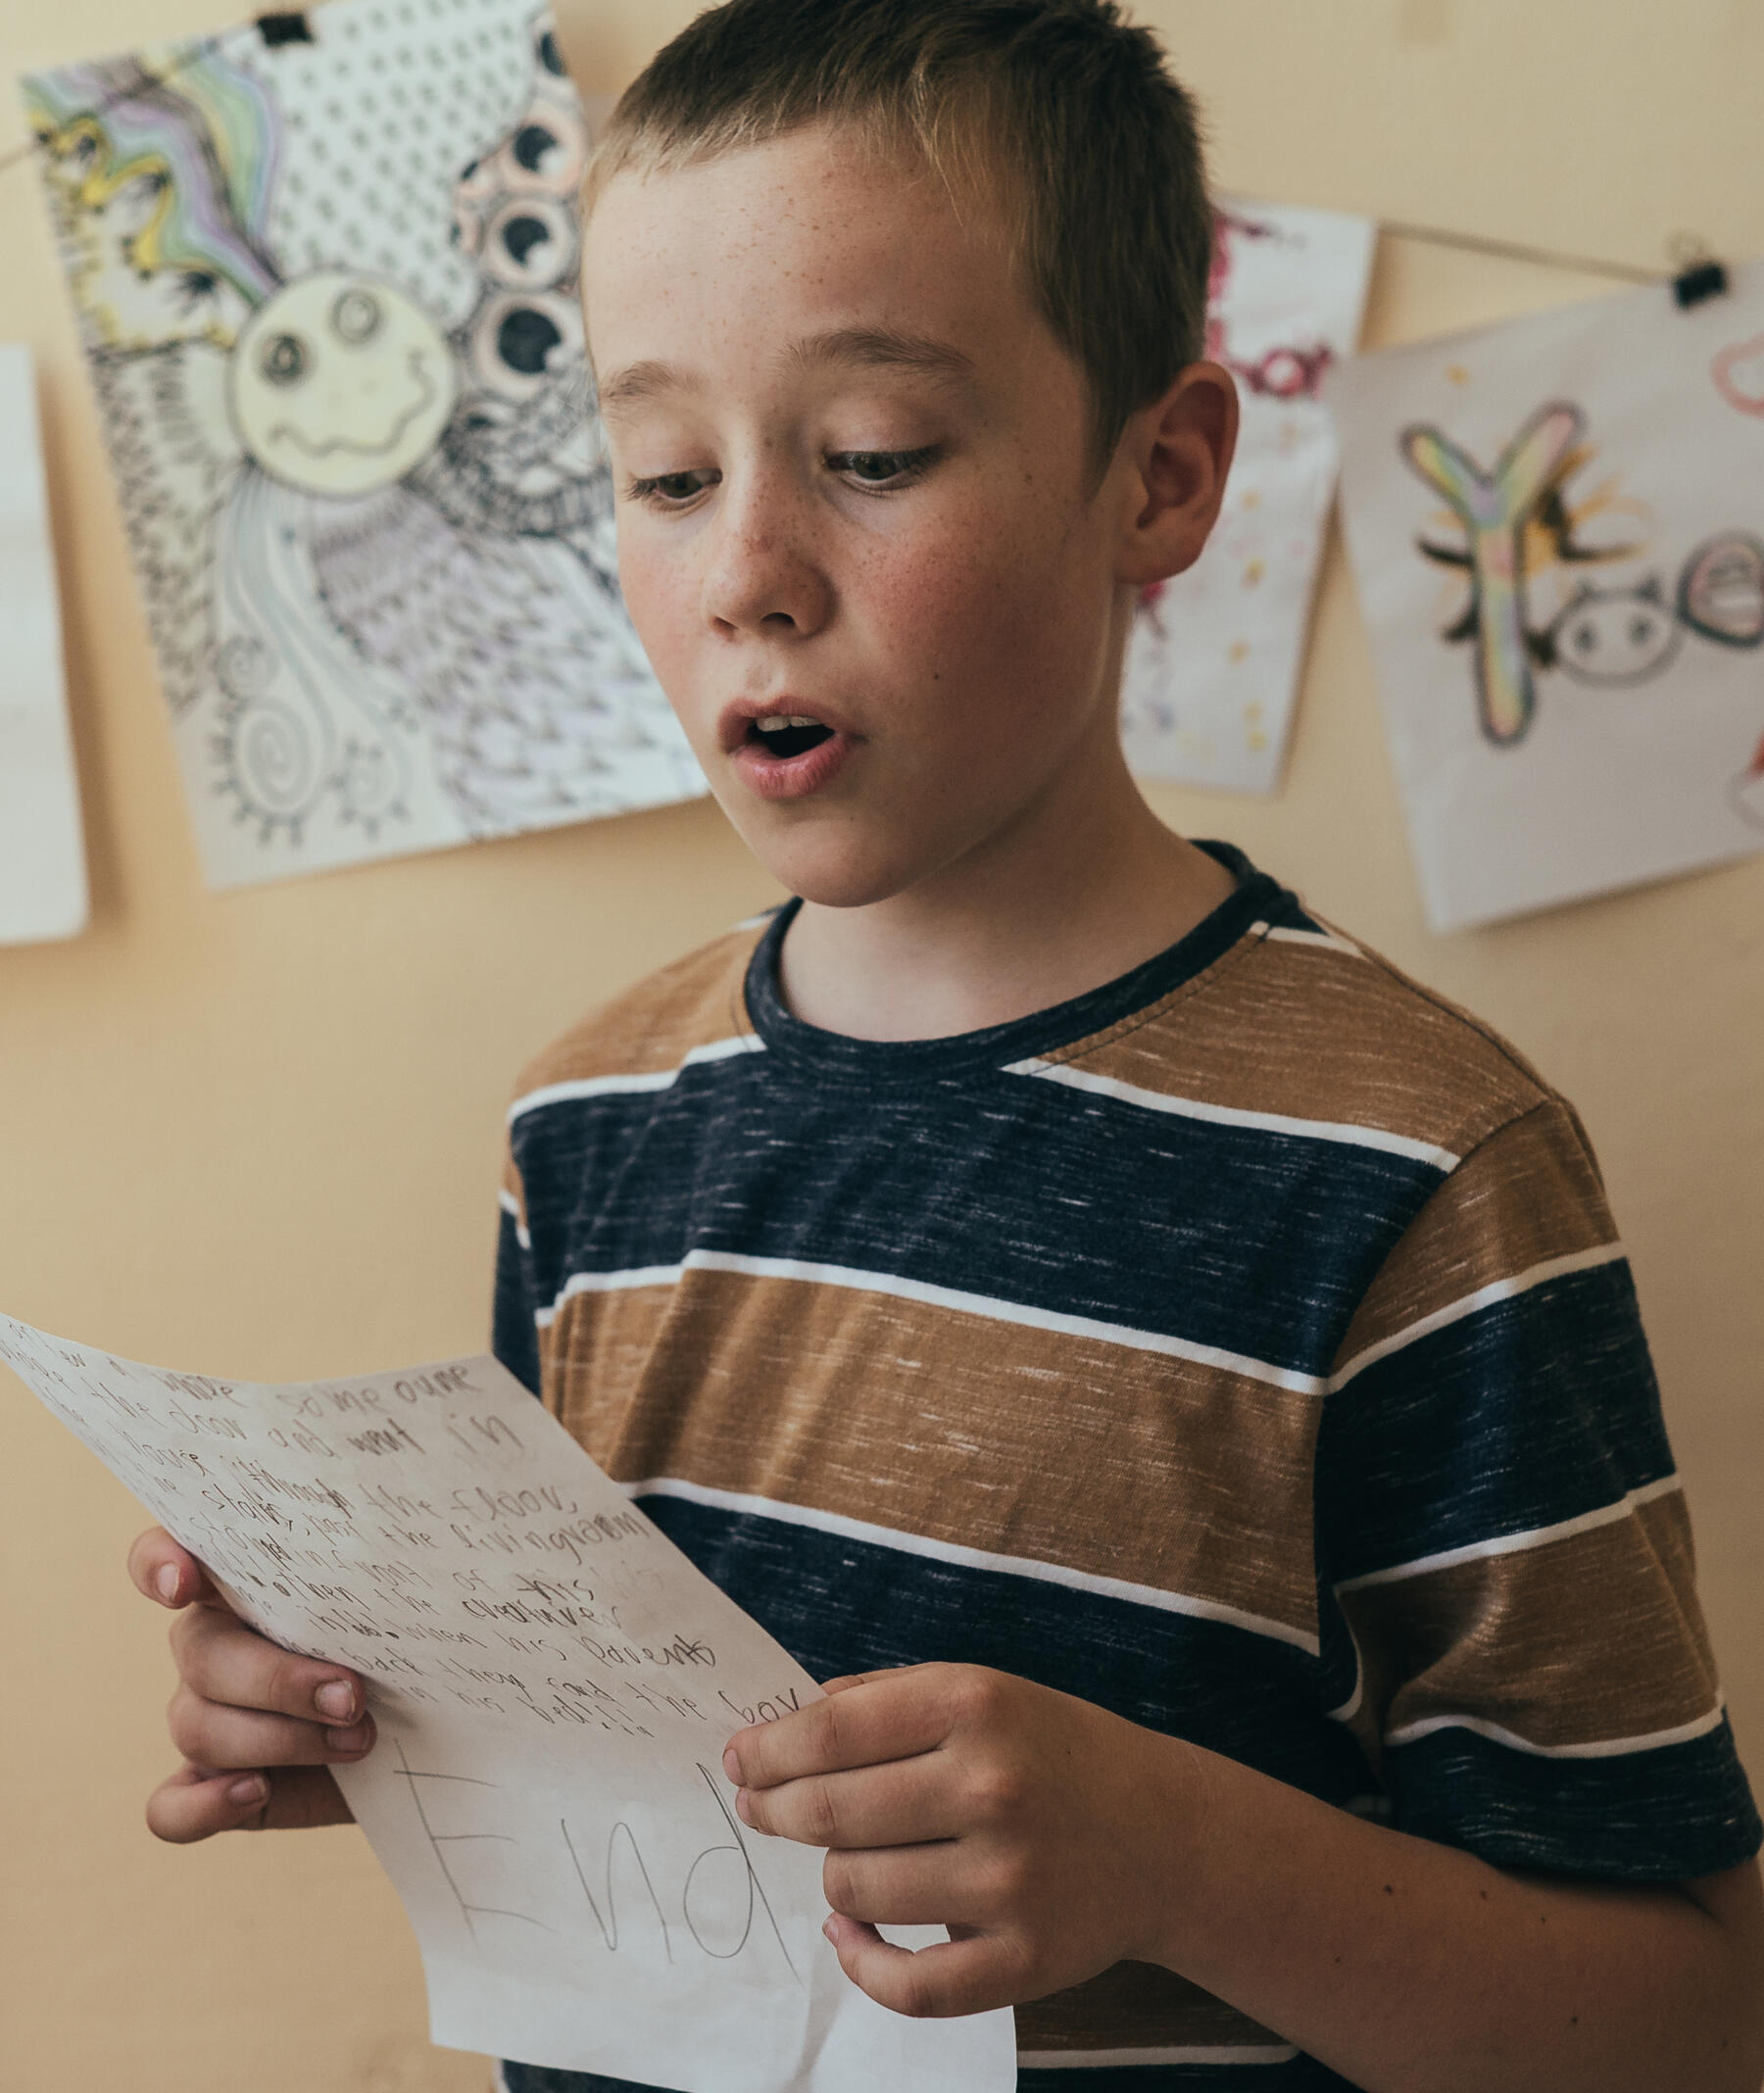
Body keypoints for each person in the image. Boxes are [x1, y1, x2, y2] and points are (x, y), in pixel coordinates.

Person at [126, 3, 1764, 2088]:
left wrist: (1183, 1861)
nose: (747, 576)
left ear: (1159, 477)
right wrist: (379, 1712)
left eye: (874, 456)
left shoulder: (1421, 1167)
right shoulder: (590, 1122)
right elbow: (624, 1805)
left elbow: (1689, 2015)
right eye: (661, 473)